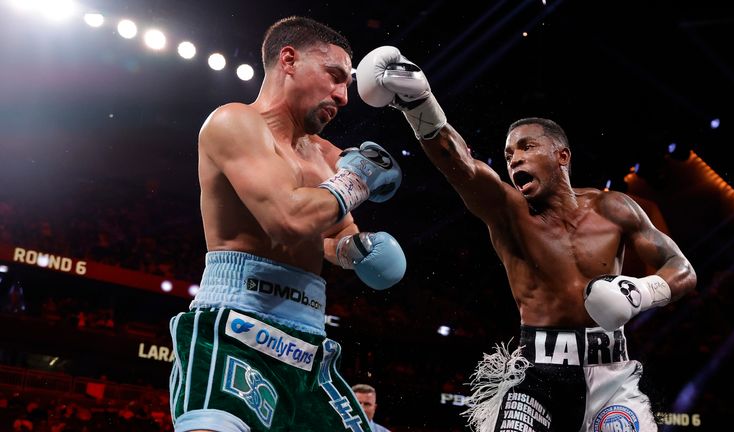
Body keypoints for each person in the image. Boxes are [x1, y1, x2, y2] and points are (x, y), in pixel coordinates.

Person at [356, 46, 697, 432]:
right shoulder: (507, 211)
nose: (513, 158)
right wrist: (419, 103)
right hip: (536, 377)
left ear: (562, 156)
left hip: (611, 377)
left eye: (526, 147)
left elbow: (682, 270)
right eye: (507, 153)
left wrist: (638, 293)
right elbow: (461, 166)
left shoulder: (614, 208)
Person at [169, 19, 407, 432]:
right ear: (289, 60)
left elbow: (335, 234)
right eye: (334, 77)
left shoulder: (327, 154)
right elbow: (287, 219)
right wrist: (355, 181)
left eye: (348, 84)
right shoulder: (235, 123)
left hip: (308, 341)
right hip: (236, 323)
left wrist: (357, 250)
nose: (343, 95)